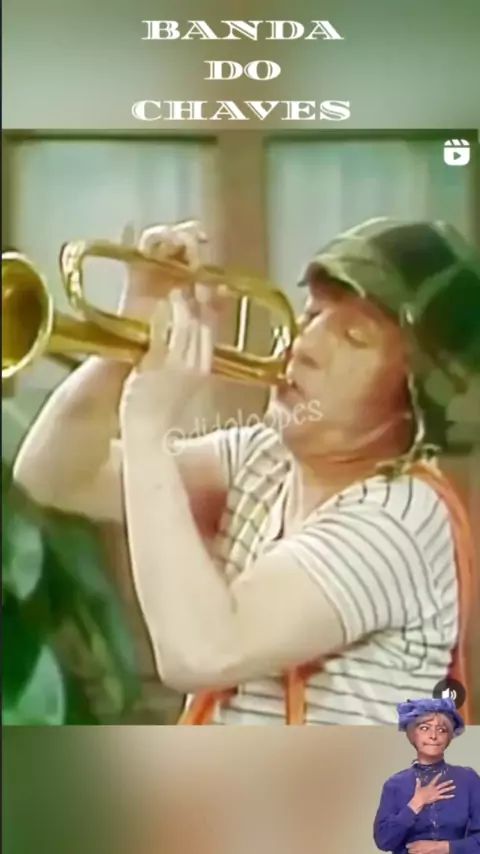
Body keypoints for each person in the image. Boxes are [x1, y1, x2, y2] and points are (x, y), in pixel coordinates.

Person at [12, 217, 480, 725]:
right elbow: (53, 476)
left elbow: (202, 653)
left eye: (352, 336)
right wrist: (130, 335)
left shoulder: (401, 518)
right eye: (311, 314)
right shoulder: (265, 455)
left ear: (414, 401)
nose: (303, 345)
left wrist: (146, 422)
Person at [373, 697, 480, 853]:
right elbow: (383, 841)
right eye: (425, 728)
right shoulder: (395, 784)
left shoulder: (468, 779)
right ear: (412, 734)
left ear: (449, 737)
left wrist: (445, 847)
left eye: (441, 730)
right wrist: (416, 804)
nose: (433, 736)